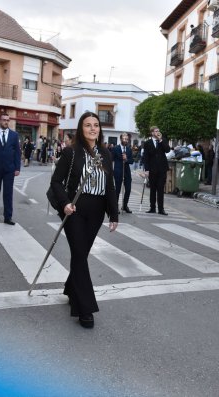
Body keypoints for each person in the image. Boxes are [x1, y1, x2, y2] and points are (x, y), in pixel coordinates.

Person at [50, 111, 118, 329]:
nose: (92, 129)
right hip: (75, 209)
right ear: (81, 128)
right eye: (88, 125)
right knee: (79, 254)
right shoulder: (71, 152)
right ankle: (85, 308)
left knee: (81, 254)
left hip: (97, 210)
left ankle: (71, 288)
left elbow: (110, 186)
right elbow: (56, 182)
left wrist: (114, 214)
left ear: (100, 129)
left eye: (96, 125)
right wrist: (65, 204)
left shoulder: (106, 154)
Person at [143, 126, 171, 215]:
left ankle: (161, 209)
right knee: (153, 190)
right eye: (156, 131)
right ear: (152, 133)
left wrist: (161, 140)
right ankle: (152, 207)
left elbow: (167, 150)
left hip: (162, 169)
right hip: (152, 169)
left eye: (158, 131)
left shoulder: (163, 140)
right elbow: (145, 157)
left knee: (160, 189)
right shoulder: (147, 143)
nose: (158, 132)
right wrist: (146, 169)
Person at [113, 133, 134, 214]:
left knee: (128, 189)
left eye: (127, 139)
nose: (125, 140)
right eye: (124, 139)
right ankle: (115, 207)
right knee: (117, 190)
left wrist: (126, 159)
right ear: (121, 139)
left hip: (127, 172)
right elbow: (111, 159)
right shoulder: (115, 148)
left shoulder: (129, 149)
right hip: (118, 171)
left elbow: (132, 161)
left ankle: (125, 205)